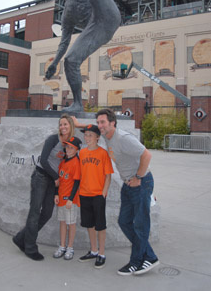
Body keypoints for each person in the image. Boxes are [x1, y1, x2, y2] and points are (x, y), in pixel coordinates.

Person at [96, 108, 159, 275]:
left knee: (140, 225)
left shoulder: (123, 138)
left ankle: (137, 261)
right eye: (98, 122)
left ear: (112, 123)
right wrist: (78, 122)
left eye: (103, 122)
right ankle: (150, 256)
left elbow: (147, 155)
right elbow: (92, 127)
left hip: (140, 183)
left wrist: (138, 177)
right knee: (124, 221)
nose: (100, 125)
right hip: (128, 185)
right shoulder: (106, 136)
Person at [12, 113, 75, 261]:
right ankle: (30, 248)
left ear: (71, 126)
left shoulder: (70, 145)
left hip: (53, 182)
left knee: (47, 213)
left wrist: (57, 187)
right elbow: (44, 161)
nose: (62, 127)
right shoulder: (53, 139)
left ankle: (21, 237)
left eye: (65, 124)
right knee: (35, 212)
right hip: (41, 177)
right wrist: (56, 178)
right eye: (61, 124)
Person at [75, 124, 114, 269]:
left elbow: (108, 176)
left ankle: (101, 253)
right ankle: (93, 250)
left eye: (90, 135)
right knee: (89, 225)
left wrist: (103, 193)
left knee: (100, 225)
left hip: (98, 195)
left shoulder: (103, 153)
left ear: (98, 137)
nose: (87, 138)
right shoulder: (82, 153)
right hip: (84, 194)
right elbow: (79, 175)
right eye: (85, 135)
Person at [53, 136, 82, 260]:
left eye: (71, 147)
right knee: (63, 222)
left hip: (70, 200)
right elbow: (58, 181)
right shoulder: (63, 162)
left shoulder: (76, 162)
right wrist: (56, 194)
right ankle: (62, 246)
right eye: (67, 147)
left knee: (71, 223)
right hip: (61, 198)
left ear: (76, 149)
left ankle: (70, 247)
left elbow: (76, 182)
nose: (68, 149)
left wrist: (70, 199)